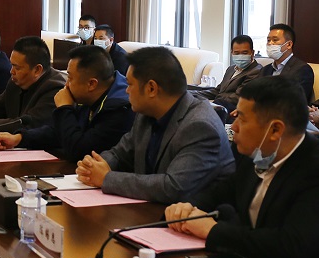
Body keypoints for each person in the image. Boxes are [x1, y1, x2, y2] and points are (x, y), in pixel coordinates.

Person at [165, 76, 319, 258]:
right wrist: (187, 208)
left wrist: (212, 230)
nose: (234, 127)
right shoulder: (260, 151)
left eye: (242, 119)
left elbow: (291, 245)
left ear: (275, 130)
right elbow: (222, 191)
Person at [76, 46, 234, 203]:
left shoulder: (199, 126)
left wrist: (107, 178)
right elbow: (120, 154)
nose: (126, 90)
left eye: (130, 84)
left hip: (193, 215)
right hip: (151, 209)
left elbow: (173, 187)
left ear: (151, 88)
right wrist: (95, 166)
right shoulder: (146, 113)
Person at [0, 45, 134, 162]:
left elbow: (79, 151)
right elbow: (57, 132)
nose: (66, 85)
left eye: (70, 78)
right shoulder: (89, 96)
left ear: (91, 84)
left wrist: (64, 108)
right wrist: (19, 138)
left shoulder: (120, 109)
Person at [192, 34, 262, 112]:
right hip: (220, 105)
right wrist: (191, 94)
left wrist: (214, 102)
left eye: (244, 53)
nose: (240, 56)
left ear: (252, 53)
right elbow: (217, 91)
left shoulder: (256, 71)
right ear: (232, 53)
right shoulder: (231, 69)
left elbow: (238, 97)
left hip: (234, 109)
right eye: (236, 53)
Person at [261, 23, 314, 101]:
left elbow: (296, 100)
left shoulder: (302, 70)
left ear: (289, 44)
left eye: (275, 40)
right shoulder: (265, 69)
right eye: (268, 40)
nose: (270, 43)